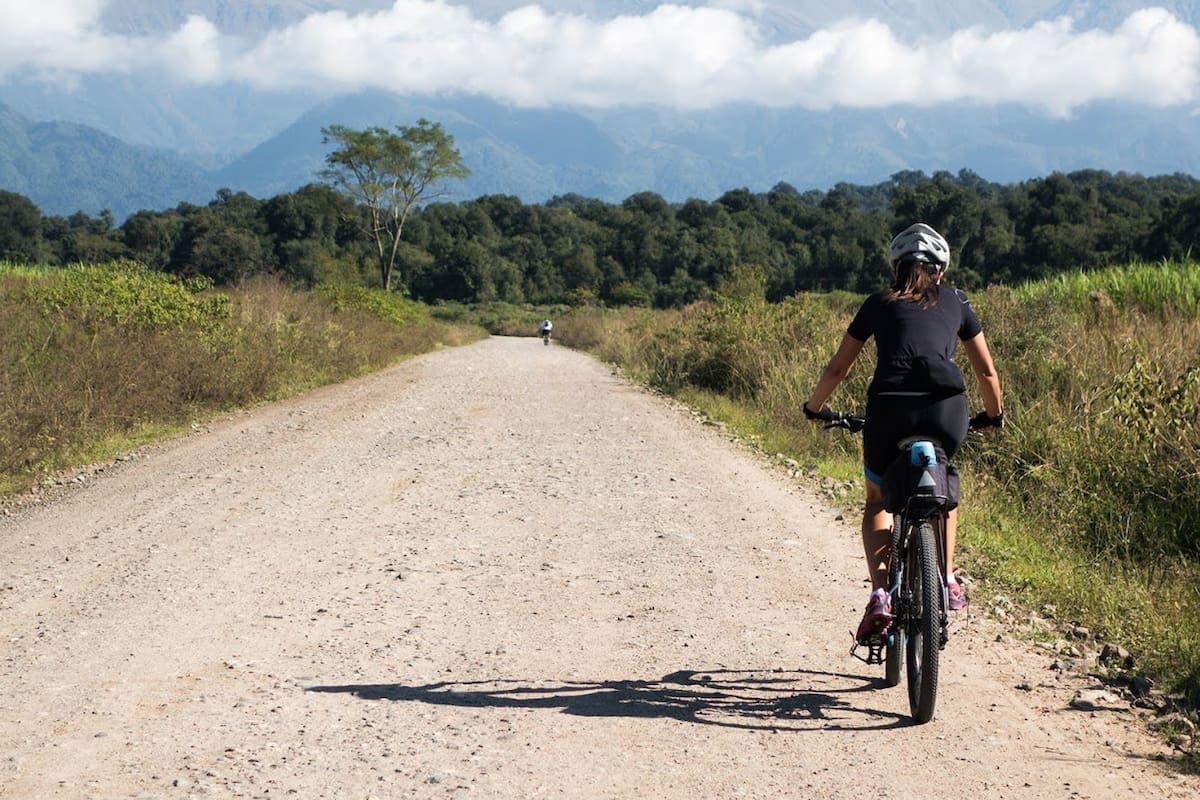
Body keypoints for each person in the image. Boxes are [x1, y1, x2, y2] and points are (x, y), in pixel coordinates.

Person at [803, 223, 1004, 644]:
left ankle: (880, 594)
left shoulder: (878, 303)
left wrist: (815, 407)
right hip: (946, 410)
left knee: (877, 499)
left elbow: (839, 367)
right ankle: (946, 578)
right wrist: (994, 414)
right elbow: (986, 370)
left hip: (888, 410)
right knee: (943, 489)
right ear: (941, 271)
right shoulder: (958, 302)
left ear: (895, 267)